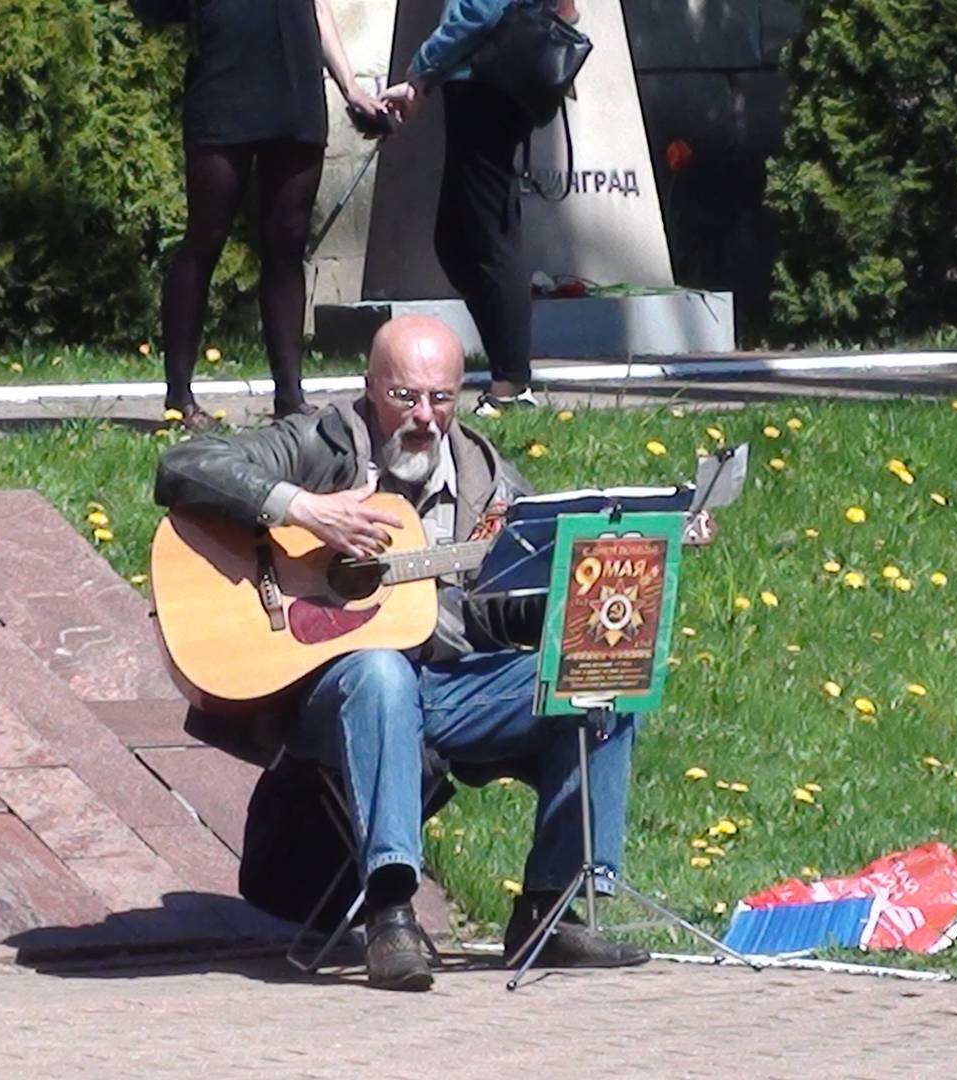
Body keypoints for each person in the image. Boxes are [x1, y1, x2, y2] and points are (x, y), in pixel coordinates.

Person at [155, 315, 647, 991]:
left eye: (441, 399)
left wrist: (581, 582)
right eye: (404, 398)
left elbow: (503, 611)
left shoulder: (488, 478)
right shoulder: (322, 441)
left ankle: (554, 911)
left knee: (594, 677)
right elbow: (184, 464)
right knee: (382, 668)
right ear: (369, 388)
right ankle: (390, 914)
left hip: (447, 690)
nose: (424, 417)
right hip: (332, 694)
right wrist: (303, 510)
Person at [162, 0, 391, 432]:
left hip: (295, 87)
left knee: (287, 243)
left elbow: (319, 10)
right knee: (205, 238)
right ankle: (179, 398)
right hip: (223, 80)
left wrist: (351, 90)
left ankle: (290, 397)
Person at [379, 0, 543, 417]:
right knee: (454, 239)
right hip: (486, 80)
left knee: (489, 238)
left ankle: (511, 386)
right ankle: (507, 368)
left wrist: (420, 70)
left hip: (487, 82)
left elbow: (477, 11)